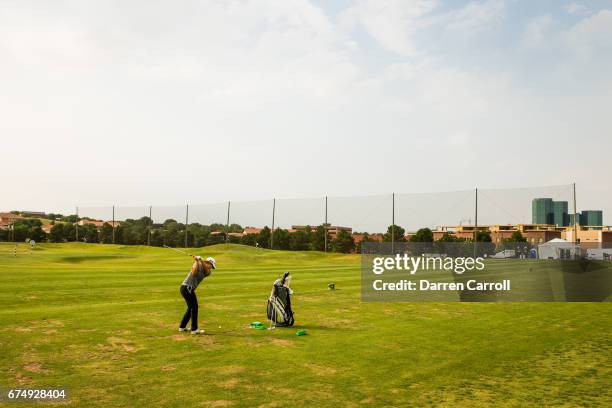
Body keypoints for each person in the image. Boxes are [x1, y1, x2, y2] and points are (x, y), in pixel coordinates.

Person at [179, 255, 216, 334]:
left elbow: (206, 270)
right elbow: (194, 272)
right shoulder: (197, 264)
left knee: (191, 308)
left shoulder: (208, 272)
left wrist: (200, 260)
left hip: (188, 289)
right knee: (194, 307)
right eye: (211, 266)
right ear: (209, 263)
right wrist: (196, 261)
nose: (211, 268)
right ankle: (194, 329)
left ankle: (182, 326)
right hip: (186, 287)